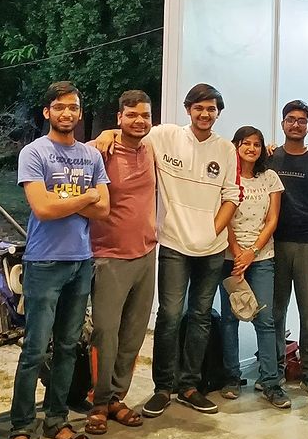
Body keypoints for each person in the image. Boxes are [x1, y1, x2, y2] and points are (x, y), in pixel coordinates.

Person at [94, 83, 241, 417]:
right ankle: (163, 387)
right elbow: (132, 131)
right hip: (173, 244)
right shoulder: (164, 136)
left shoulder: (225, 149)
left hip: (212, 249)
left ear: (218, 113)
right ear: (188, 110)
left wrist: (211, 231)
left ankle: (189, 386)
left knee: (200, 317)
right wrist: (106, 132)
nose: (205, 114)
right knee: (170, 315)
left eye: (211, 109)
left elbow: (232, 195)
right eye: (199, 108)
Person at [4, 81, 110, 439]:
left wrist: (65, 198)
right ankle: (20, 428)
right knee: (34, 349)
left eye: (73, 107)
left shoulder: (91, 155)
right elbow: (43, 209)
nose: (67, 113)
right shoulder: (34, 152)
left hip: (81, 261)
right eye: (60, 107)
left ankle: (56, 422)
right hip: (44, 263)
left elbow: (104, 210)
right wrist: (85, 196)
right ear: (47, 112)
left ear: (80, 113)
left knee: (67, 347)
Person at [85, 90, 156, 436]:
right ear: (119, 118)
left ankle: (117, 397)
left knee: (133, 334)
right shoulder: (99, 152)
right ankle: (99, 403)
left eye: (145, 115)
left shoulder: (151, 149)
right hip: (108, 256)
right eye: (132, 115)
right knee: (105, 333)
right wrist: (105, 135)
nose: (139, 121)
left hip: (146, 253)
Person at [219, 126, 290, 409]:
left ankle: (271, 382)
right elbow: (223, 217)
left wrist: (252, 252)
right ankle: (231, 378)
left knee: (265, 319)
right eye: (245, 143)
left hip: (261, 257)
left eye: (256, 144)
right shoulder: (227, 177)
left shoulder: (270, 177)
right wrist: (237, 253)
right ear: (236, 146)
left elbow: (272, 220)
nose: (251, 148)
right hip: (229, 257)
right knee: (229, 319)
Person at [268, 100, 308, 398]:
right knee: (276, 311)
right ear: (283, 123)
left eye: (302, 120)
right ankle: (275, 369)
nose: (296, 124)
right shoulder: (271, 158)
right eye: (291, 119)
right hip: (275, 244)